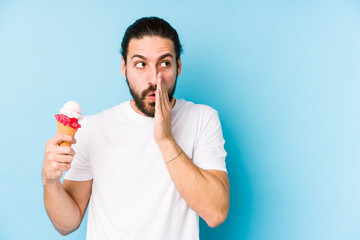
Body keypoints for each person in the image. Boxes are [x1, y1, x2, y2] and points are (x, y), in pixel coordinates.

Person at [42, 16, 230, 240]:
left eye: (164, 63)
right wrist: (50, 182)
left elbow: (216, 213)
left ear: (178, 66)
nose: (154, 78)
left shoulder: (202, 119)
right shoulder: (92, 128)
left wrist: (166, 141)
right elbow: (67, 224)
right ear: (124, 67)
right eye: (140, 64)